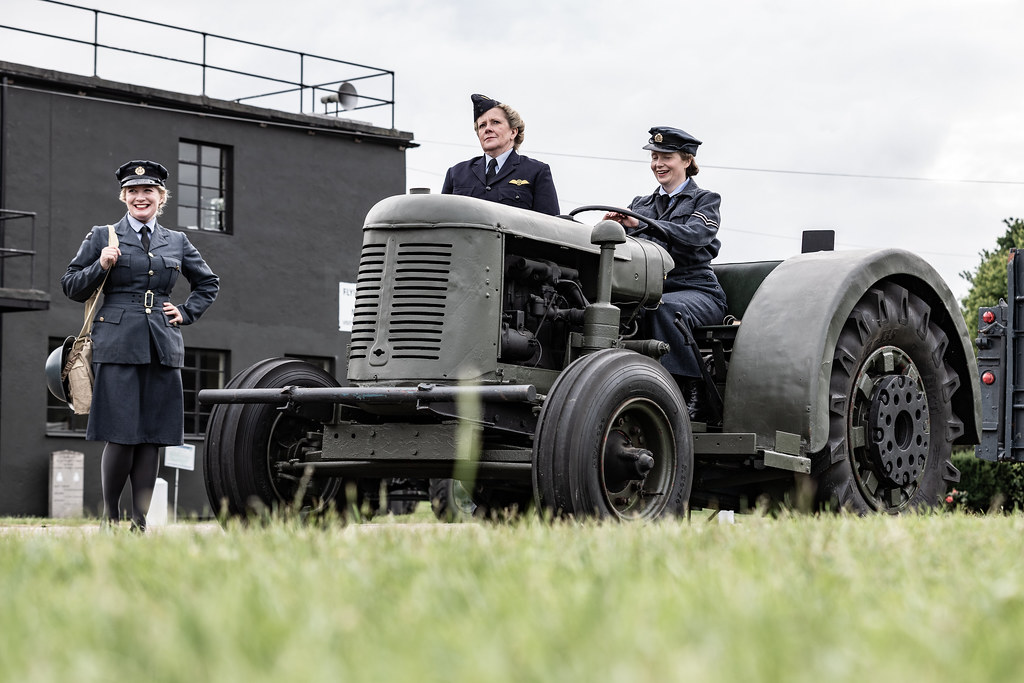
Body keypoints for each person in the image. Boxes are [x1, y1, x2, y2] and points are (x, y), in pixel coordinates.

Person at [61, 160, 219, 531]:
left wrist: (185, 312)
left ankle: (139, 522)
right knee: (121, 435)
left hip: (162, 346)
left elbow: (208, 283)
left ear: (160, 197)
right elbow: (70, 285)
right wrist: (100, 265)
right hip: (116, 345)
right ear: (124, 197)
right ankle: (111, 518)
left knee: (152, 437)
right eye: (133, 191)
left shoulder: (177, 241)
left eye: (147, 190)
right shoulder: (103, 235)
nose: (140, 196)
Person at [604, 126, 727, 421]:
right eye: (654, 156)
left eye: (666, 156)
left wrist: (640, 223)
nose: (658, 164)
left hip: (696, 290)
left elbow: (696, 237)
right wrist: (618, 228)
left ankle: (689, 391)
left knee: (664, 309)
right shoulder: (641, 204)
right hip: (645, 290)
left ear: (686, 160)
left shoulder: (705, 201)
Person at [441, 93, 560, 215]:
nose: (487, 129)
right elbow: (440, 221)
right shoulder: (456, 173)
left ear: (513, 132)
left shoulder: (536, 172)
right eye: (482, 125)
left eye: (496, 122)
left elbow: (552, 226)